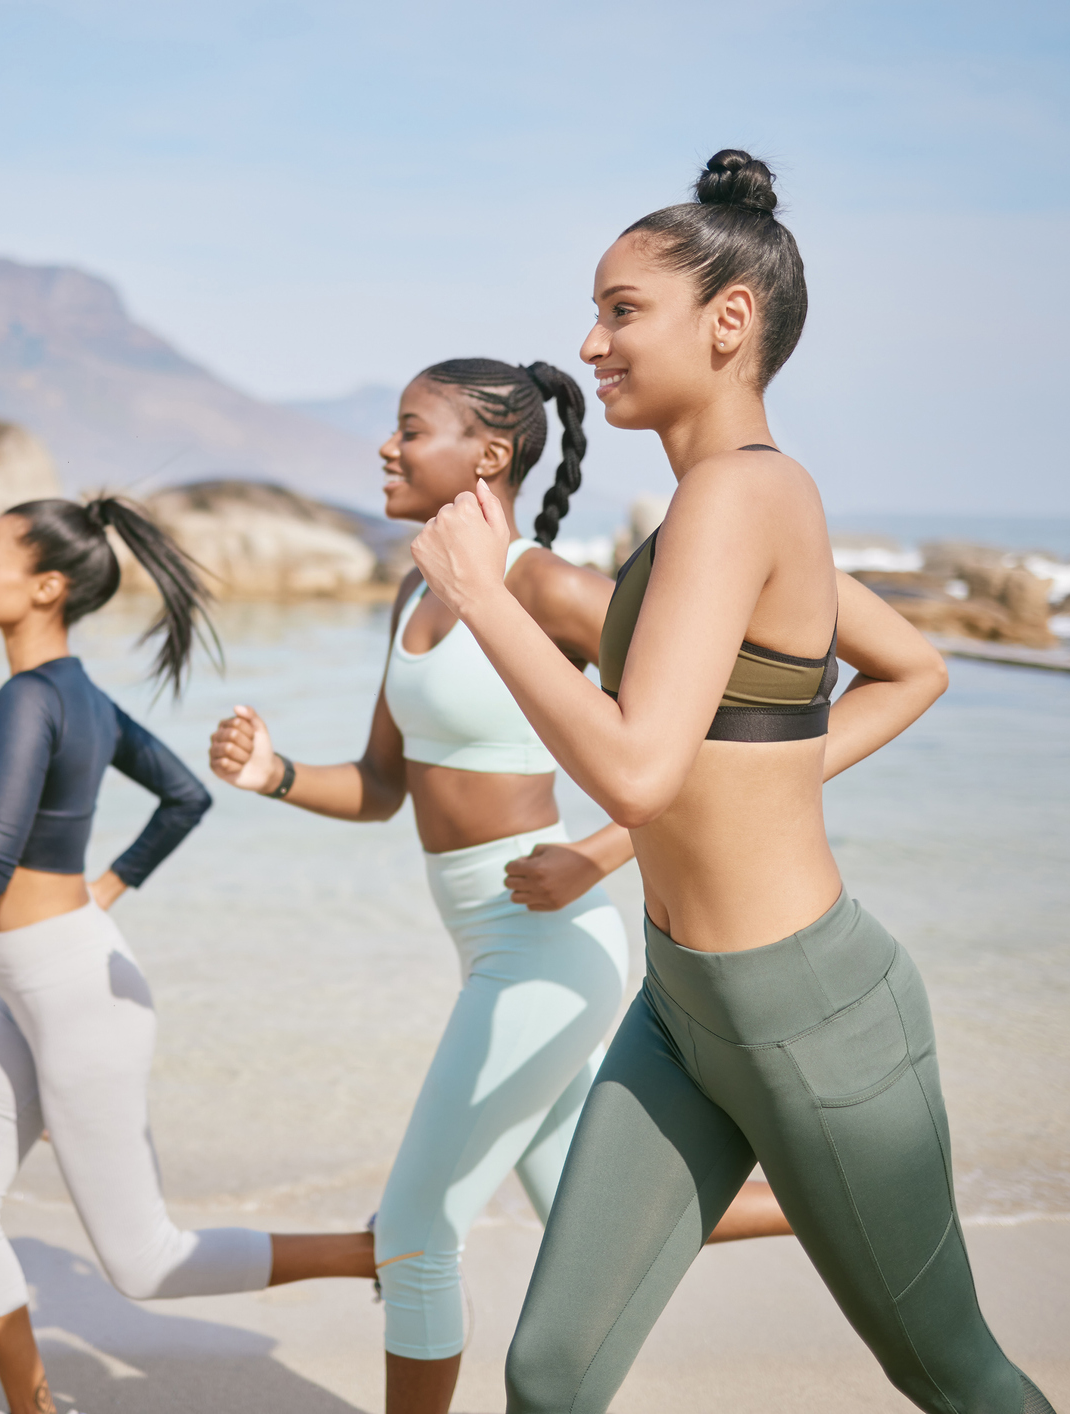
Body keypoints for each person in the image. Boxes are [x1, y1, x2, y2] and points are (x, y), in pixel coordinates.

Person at [409, 151, 1053, 1413]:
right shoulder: (714, 507)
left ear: (731, 319)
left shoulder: (751, 492)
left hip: (810, 1018)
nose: (590, 342)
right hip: (680, 1009)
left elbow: (642, 768)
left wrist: (488, 600)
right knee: (547, 1374)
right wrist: (741, 795)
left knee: (951, 1372)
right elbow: (908, 671)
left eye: (621, 310)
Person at [209, 358, 789, 1414]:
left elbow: (703, 742)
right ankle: (817, 1190)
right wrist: (278, 774)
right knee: (587, 1208)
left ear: (487, 455)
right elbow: (384, 786)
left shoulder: (547, 588)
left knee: (417, 1232)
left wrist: (601, 850)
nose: (386, 448)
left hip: (552, 944)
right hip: (483, 942)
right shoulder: (414, 589)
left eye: (408, 430)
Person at [0, 497, 375, 1414]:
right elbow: (184, 797)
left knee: (144, 1263)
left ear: (46, 587)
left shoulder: (31, 699)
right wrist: (107, 889)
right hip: (42, 980)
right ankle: (32, 1408)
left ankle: (375, 1252)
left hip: (74, 990)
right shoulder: (74, 695)